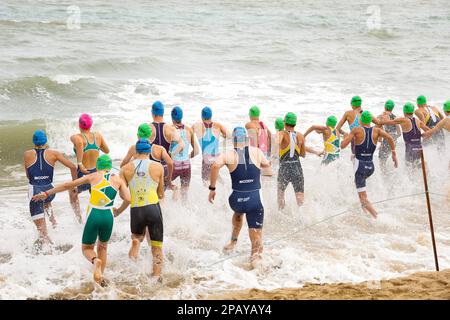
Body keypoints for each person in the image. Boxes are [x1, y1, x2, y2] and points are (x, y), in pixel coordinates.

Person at [32, 155, 130, 285]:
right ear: (109, 166)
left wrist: (46, 193)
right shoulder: (118, 180)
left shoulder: (92, 176)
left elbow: (68, 185)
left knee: (86, 249)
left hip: (94, 215)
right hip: (108, 216)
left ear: (98, 166)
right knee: (103, 247)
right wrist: (118, 211)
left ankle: (95, 261)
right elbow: (128, 199)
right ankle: (101, 277)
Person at [208, 127, 271, 268]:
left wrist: (212, 189)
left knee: (238, 213)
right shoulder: (257, 152)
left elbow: (214, 166)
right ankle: (256, 261)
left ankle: (233, 242)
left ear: (234, 140)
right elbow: (267, 168)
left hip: (236, 200)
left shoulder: (228, 154)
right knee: (256, 235)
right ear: (247, 139)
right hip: (255, 199)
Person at [119, 139, 165, 280]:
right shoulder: (158, 167)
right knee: (156, 247)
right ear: (149, 151)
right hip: (153, 208)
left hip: (136, 210)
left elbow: (123, 195)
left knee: (137, 237)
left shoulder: (125, 169)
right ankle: (156, 277)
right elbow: (161, 193)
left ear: (136, 152)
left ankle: (136, 244)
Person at [24, 130, 78, 246]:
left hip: (35, 193)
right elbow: (73, 167)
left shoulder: (27, 154)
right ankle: (54, 224)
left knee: (42, 233)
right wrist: (74, 186)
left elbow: (28, 176)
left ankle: (51, 253)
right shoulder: (54, 154)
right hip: (50, 191)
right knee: (46, 202)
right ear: (46, 141)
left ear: (33, 141)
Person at [341, 111, 398, 218]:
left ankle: (377, 217)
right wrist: (394, 153)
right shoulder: (377, 130)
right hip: (371, 166)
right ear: (371, 121)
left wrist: (346, 136)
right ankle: (365, 213)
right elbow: (390, 138)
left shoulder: (356, 130)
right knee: (360, 189)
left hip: (360, 167)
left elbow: (343, 146)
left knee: (363, 197)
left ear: (361, 120)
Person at [70, 114, 109, 222]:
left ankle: (79, 220)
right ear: (91, 125)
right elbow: (106, 151)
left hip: (83, 173)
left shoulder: (78, 137)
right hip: (96, 172)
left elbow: (77, 142)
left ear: (79, 125)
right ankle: (100, 217)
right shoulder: (98, 136)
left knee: (73, 193)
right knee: (97, 196)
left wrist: (80, 163)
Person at [120, 123, 176, 190]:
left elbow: (122, 165)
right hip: (156, 180)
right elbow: (170, 163)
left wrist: (133, 161)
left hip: (141, 182)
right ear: (150, 135)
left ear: (138, 135)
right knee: (160, 197)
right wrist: (168, 179)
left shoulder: (133, 148)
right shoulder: (159, 149)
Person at [380, 102, 429, 169]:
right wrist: (421, 135)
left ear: (404, 111)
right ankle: (424, 166)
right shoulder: (418, 121)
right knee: (416, 165)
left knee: (409, 170)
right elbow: (429, 131)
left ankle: (420, 169)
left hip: (410, 150)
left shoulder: (403, 120)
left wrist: (384, 115)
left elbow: (386, 122)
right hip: (419, 149)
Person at [149, 101, 184, 187]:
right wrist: (170, 155)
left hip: (152, 168)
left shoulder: (148, 128)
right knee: (162, 195)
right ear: (163, 113)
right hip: (165, 168)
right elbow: (182, 145)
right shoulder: (170, 129)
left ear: (152, 113)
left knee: (152, 196)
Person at [169, 106, 199, 200]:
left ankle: (169, 212)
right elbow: (197, 151)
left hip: (174, 165)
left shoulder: (169, 129)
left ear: (172, 117)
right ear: (182, 117)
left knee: (163, 188)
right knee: (184, 195)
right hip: (186, 165)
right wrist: (188, 156)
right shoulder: (189, 129)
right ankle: (184, 213)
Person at [277, 112, 306, 210]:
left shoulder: (282, 133)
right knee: (299, 196)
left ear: (285, 123)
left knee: (280, 194)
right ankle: (302, 217)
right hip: (297, 168)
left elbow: (276, 143)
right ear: (295, 123)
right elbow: (303, 154)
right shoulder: (301, 136)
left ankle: (281, 214)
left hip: (284, 167)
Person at [193, 106, 228, 183]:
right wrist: (222, 136)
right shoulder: (218, 125)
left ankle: (212, 193)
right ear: (211, 116)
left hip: (207, 159)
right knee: (216, 175)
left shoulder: (197, 126)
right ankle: (224, 189)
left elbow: (188, 133)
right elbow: (228, 135)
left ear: (202, 116)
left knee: (205, 181)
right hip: (217, 157)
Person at [245, 105, 273, 176]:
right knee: (265, 179)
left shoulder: (249, 125)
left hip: (256, 154)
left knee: (254, 180)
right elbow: (272, 139)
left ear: (250, 114)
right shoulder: (264, 125)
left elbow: (255, 141)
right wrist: (269, 157)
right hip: (265, 155)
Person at [377, 100, 401, 173]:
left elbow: (379, 128)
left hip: (386, 140)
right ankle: (390, 174)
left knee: (382, 161)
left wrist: (381, 141)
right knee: (388, 158)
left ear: (385, 107)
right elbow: (399, 133)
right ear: (392, 108)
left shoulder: (381, 116)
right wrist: (393, 138)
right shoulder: (395, 117)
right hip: (394, 141)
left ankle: (384, 177)